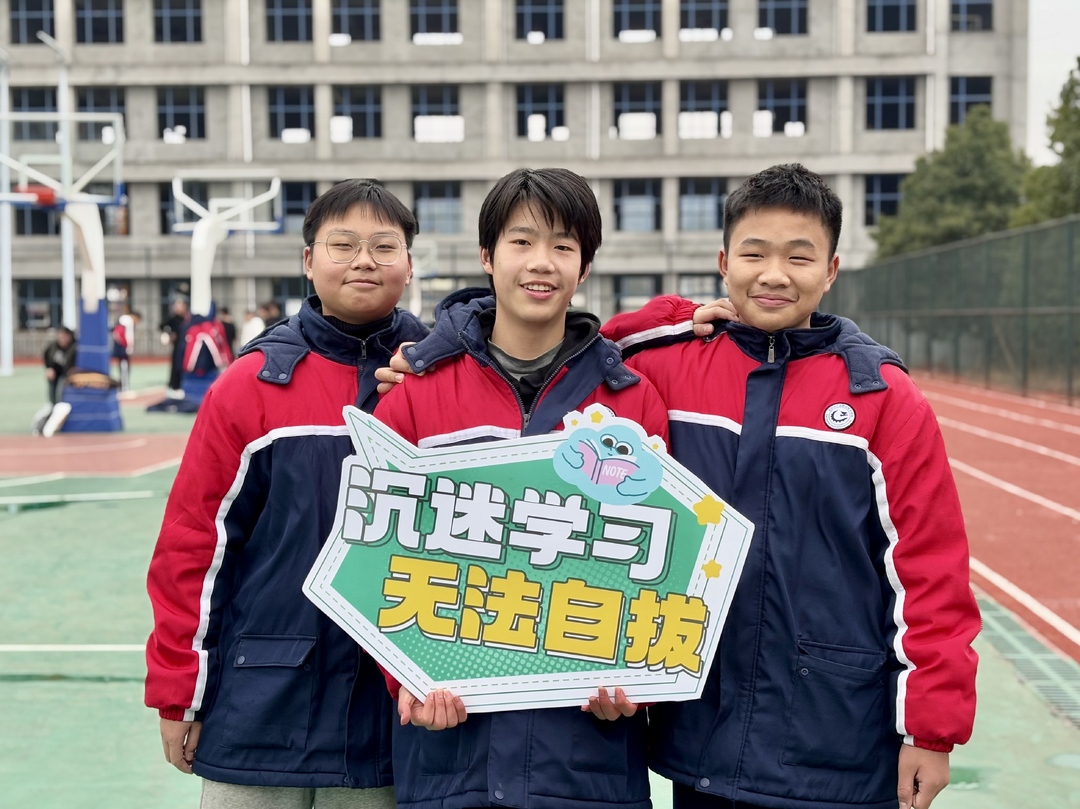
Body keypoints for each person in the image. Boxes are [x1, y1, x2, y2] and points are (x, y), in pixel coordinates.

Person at [600, 164, 980, 809]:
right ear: (724, 263)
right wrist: (669, 317)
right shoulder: (667, 368)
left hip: (838, 740)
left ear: (830, 270)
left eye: (799, 257)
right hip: (702, 740)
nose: (774, 274)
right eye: (754, 254)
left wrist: (930, 731)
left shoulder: (882, 396)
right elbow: (574, 354)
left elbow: (929, 568)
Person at [373, 167, 669, 809]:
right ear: (488, 255)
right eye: (522, 241)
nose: (541, 263)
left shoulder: (631, 401)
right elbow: (374, 556)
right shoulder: (415, 395)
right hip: (452, 759)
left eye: (563, 246)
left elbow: (656, 561)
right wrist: (408, 675)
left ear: (584, 266)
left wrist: (635, 682)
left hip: (585, 763)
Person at [144, 179, 429, 809]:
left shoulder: (441, 379)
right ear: (308, 260)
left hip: (390, 722)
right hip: (259, 710)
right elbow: (194, 548)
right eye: (343, 245)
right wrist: (180, 693)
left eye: (384, 246)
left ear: (409, 264)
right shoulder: (251, 385)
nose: (364, 261)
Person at [161, 294, 190, 397]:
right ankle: (174, 386)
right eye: (175, 306)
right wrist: (169, 334)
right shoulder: (173, 319)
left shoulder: (189, 319)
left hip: (188, 347)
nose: (176, 308)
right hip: (177, 347)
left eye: (179, 305)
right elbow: (162, 326)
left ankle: (184, 385)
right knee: (176, 366)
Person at [43, 325, 77, 405]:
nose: (62, 339)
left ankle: (60, 404)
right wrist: (49, 368)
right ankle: (53, 404)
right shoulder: (53, 346)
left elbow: (74, 363)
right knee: (52, 386)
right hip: (56, 372)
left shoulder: (75, 348)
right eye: (60, 336)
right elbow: (47, 357)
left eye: (64, 337)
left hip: (67, 373)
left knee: (61, 390)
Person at [111, 309, 141, 392]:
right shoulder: (128, 322)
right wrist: (129, 347)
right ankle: (124, 387)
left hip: (120, 347)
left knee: (122, 367)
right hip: (123, 348)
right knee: (124, 367)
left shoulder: (120, 321)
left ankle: (123, 385)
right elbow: (129, 336)